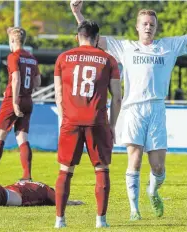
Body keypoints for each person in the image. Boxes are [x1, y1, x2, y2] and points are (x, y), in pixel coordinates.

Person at [70, 0, 187, 221]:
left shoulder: (168, 46)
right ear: (137, 26)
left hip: (157, 108)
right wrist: (78, 13)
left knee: (158, 166)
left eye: (152, 24)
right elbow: (92, 39)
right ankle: (134, 209)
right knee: (134, 158)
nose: (148, 27)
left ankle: (153, 191)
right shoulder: (125, 47)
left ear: (156, 27)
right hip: (133, 108)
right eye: (144, 24)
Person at [54, 20, 122, 228]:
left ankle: (60, 220)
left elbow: (58, 94)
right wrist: (112, 126)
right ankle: (101, 220)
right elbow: (117, 97)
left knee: (65, 170)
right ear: (97, 38)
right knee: (101, 169)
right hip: (97, 120)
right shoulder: (108, 60)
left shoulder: (63, 58)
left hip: (70, 120)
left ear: (77, 37)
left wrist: (63, 120)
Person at [0, 27, 41, 184]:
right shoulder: (31, 58)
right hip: (28, 100)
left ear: (12, 41)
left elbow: (16, 78)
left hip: (13, 100)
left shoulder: (13, 56)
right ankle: (26, 176)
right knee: (22, 137)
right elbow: (37, 82)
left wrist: (14, 101)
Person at [0, 182, 83, 207]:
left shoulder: (29, 184)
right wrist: (75, 202)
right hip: (2, 193)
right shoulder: (46, 189)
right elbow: (60, 201)